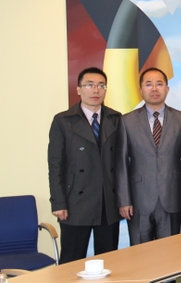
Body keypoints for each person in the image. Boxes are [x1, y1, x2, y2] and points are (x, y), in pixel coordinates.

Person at [48, 67, 121, 264]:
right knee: (71, 261)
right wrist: (58, 202)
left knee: (109, 261)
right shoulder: (63, 121)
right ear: (79, 89)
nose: (96, 90)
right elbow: (55, 165)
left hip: (108, 202)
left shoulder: (116, 119)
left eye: (101, 85)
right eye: (90, 85)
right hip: (74, 203)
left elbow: (122, 164)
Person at [115, 67, 181, 245]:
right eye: (148, 84)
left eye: (159, 84)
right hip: (138, 200)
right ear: (140, 90)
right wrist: (124, 200)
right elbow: (121, 164)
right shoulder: (126, 121)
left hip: (172, 196)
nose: (154, 89)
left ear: (167, 89)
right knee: (140, 254)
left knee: (170, 252)